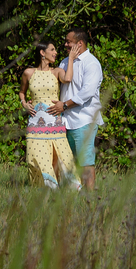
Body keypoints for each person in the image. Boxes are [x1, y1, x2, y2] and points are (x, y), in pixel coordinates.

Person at [19, 38, 85, 189]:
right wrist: (24, 104)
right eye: (52, 50)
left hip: (55, 123)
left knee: (62, 158)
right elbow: (22, 92)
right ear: (42, 53)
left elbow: (68, 79)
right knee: (35, 157)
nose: (56, 53)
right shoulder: (29, 73)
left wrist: (71, 59)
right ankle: (47, 188)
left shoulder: (56, 72)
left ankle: (67, 188)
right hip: (35, 124)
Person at [49, 28, 102, 192]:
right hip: (65, 120)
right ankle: (67, 194)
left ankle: (89, 198)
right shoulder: (65, 62)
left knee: (85, 160)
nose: (65, 44)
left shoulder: (92, 63)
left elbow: (87, 92)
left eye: (68, 42)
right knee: (65, 161)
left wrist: (64, 105)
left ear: (79, 43)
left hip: (84, 119)